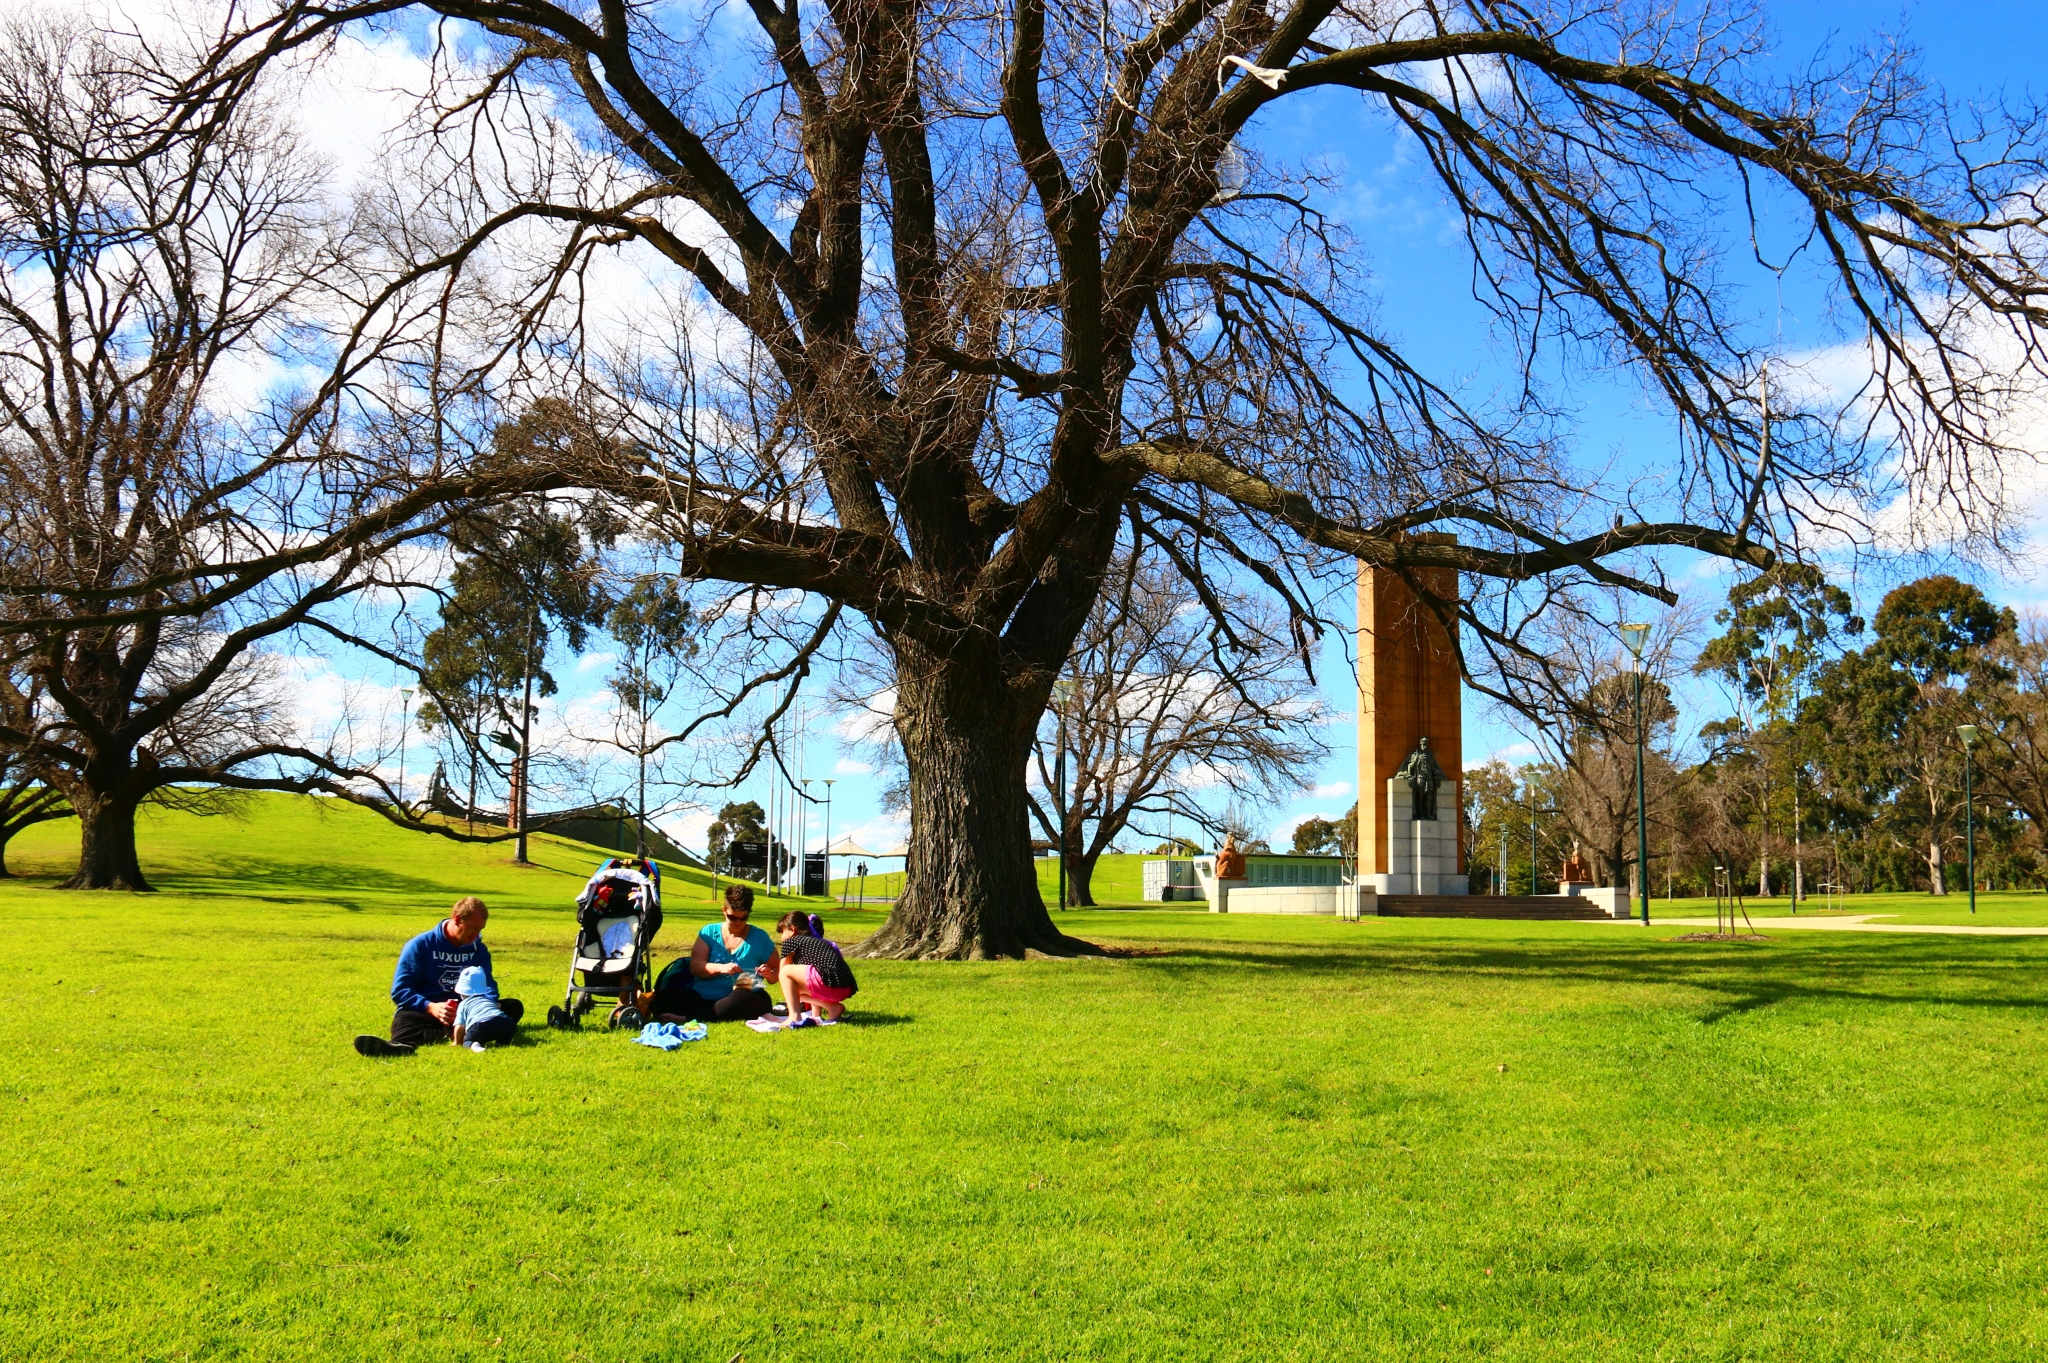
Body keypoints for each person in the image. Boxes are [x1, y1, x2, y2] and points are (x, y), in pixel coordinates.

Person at [354, 896, 524, 1057]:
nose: (476, 934)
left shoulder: (478, 950)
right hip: (428, 1010)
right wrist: (430, 1007)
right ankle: (400, 1046)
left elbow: (488, 985)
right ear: (457, 920)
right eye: (473, 928)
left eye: (480, 929)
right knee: (406, 1018)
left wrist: (484, 1004)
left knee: (512, 1006)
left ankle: (453, 1031)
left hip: (468, 1009)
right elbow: (400, 990)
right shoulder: (420, 945)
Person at [647, 883, 777, 1023]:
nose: (738, 922)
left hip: (741, 995)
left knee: (742, 1000)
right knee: (664, 997)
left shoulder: (760, 937)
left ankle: (689, 1018)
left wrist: (769, 974)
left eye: (743, 918)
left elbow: (777, 971)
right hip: (703, 995)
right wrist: (720, 968)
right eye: (733, 917)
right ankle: (711, 1013)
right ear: (724, 911)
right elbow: (695, 967)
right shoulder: (709, 932)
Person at [772, 911, 858, 1026]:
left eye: (782, 932)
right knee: (796, 990)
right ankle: (832, 1008)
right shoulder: (817, 944)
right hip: (845, 986)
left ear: (792, 930)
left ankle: (794, 1017)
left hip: (825, 980)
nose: (782, 937)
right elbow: (811, 976)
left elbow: (782, 972)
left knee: (785, 973)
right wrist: (815, 1016)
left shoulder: (791, 941)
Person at [452, 965, 517, 1051]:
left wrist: (457, 1042)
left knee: (467, 1041)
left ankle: (473, 1045)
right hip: (502, 1021)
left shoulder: (463, 1004)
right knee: (511, 1024)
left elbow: (460, 1026)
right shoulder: (488, 1000)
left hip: (480, 1025)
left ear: (461, 991)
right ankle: (501, 1042)